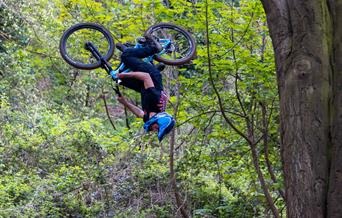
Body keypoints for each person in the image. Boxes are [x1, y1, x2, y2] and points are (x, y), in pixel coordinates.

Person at [115, 35, 175, 142]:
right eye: (157, 128)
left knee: (118, 79)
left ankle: (129, 48)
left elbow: (139, 113)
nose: (153, 130)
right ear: (160, 120)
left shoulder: (149, 117)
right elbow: (145, 77)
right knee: (126, 56)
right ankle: (154, 48)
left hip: (144, 87)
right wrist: (125, 76)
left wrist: (124, 102)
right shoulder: (155, 101)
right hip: (150, 75)